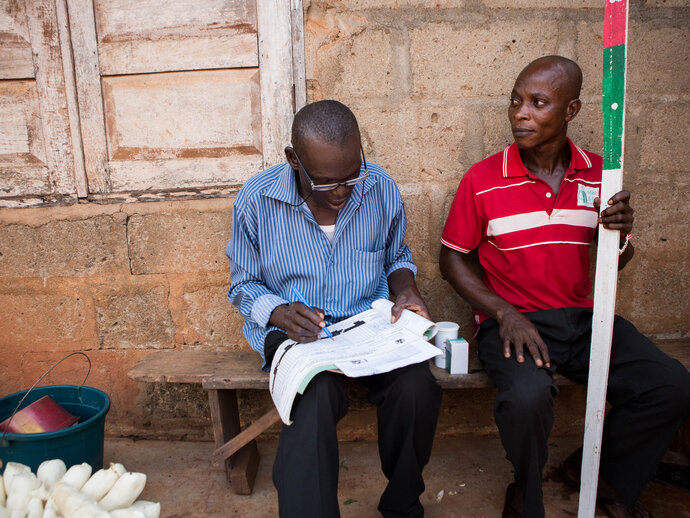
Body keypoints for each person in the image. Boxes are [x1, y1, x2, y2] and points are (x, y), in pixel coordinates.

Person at [439, 56, 690, 518]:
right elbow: (452, 259)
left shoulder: (599, 175)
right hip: (515, 324)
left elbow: (619, 259)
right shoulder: (483, 180)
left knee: (671, 385)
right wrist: (503, 312)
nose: (521, 112)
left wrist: (620, 234)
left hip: (584, 320)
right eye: (516, 100)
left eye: (538, 103)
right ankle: (526, 488)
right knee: (527, 398)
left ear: (571, 110)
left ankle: (607, 479)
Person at [227, 100, 442, 518]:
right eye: (326, 182)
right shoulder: (257, 200)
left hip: (367, 323)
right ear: (294, 160)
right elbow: (242, 286)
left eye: (351, 175)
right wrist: (279, 312)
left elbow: (397, 257)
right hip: (296, 331)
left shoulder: (378, 187)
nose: (343, 191)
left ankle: (403, 502)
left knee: (417, 387)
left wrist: (407, 292)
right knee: (314, 395)